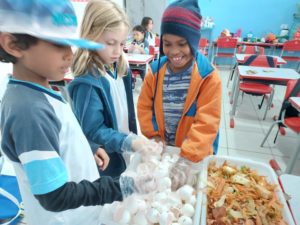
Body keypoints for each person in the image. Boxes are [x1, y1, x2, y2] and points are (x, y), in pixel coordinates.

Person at [0, 1, 156, 225]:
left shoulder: (41, 91)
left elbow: (60, 135)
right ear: (14, 45)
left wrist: (89, 148)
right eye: (58, 44)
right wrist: (121, 187)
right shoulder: (28, 111)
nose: (69, 55)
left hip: (82, 213)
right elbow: (54, 196)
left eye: (70, 44)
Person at [137, 0, 222, 189]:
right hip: (166, 148)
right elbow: (144, 107)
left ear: (193, 42)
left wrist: (187, 159)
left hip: (195, 154)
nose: (174, 51)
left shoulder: (208, 77)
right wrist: (154, 137)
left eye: (182, 44)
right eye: (167, 44)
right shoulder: (155, 72)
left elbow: (206, 124)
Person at [68, 0, 149, 178]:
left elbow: (126, 110)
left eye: (121, 44)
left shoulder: (120, 67)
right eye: (111, 43)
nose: (118, 51)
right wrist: (129, 141)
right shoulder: (87, 82)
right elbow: (93, 130)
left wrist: (132, 139)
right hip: (106, 161)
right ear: (91, 37)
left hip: (124, 150)